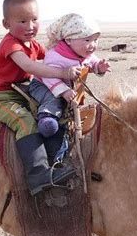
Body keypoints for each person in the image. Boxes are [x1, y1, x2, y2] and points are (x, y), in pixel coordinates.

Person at [0, 0, 80, 196]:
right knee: (24, 122)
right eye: (22, 21)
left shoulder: (34, 44)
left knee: (54, 111)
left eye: (34, 19)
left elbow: (54, 58)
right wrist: (62, 73)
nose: (30, 26)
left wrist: (86, 61)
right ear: (6, 24)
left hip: (24, 93)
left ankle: (57, 160)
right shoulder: (11, 45)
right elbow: (31, 66)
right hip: (3, 97)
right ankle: (37, 175)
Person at [28, 13, 111, 162]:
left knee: (73, 110)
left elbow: (93, 63)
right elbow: (48, 76)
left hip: (68, 88)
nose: (93, 45)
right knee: (55, 102)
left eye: (95, 40)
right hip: (43, 85)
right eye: (87, 40)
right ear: (69, 40)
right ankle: (47, 119)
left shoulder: (84, 54)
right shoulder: (55, 56)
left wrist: (100, 67)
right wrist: (64, 91)